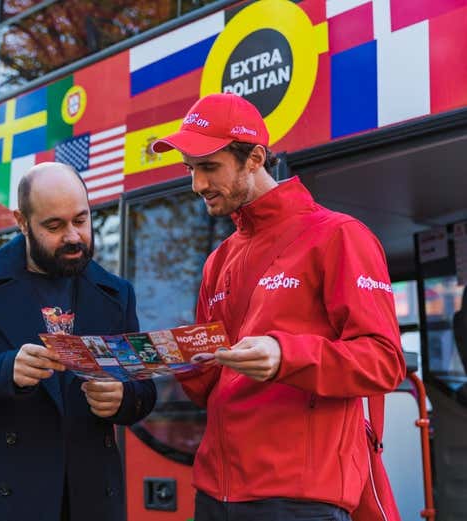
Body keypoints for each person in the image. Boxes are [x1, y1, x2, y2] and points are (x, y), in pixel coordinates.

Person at [151, 93, 407, 521]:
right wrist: (171, 359)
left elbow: (384, 361)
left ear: (254, 158)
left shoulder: (339, 235)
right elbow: (207, 386)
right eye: (190, 169)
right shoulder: (218, 260)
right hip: (214, 490)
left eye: (209, 167)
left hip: (299, 497)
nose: (197, 184)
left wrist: (285, 354)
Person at [0, 162, 156, 521]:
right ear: (22, 222)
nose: (73, 236)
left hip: (90, 502)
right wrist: (6, 370)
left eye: (81, 220)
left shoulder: (116, 293)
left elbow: (142, 388)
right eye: (54, 226)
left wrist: (122, 397)